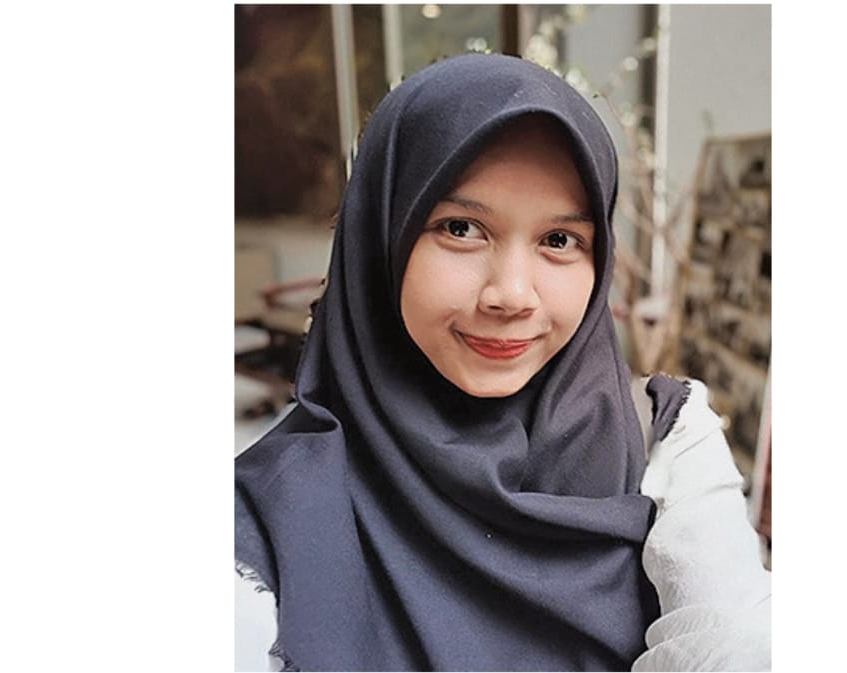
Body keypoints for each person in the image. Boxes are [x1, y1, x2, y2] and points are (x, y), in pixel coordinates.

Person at [235, 53, 770, 671]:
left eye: (559, 240)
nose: (512, 295)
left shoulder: (666, 438)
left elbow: (736, 636)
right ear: (381, 238)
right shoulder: (266, 522)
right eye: (461, 228)